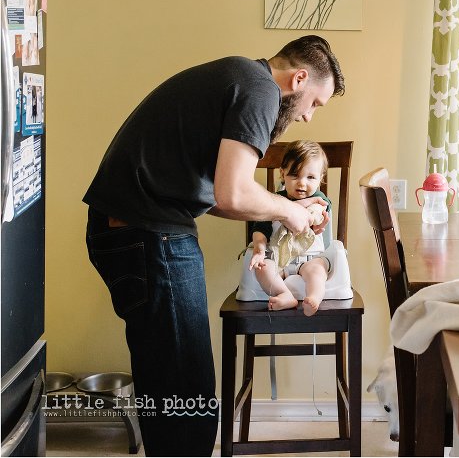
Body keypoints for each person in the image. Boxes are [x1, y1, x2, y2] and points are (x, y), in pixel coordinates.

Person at [82, 35, 344, 457]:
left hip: (134, 228)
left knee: (169, 380)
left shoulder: (240, 76)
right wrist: (288, 212)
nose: (310, 118)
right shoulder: (260, 90)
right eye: (315, 103)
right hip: (149, 234)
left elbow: (218, 195)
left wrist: (279, 208)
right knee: (187, 388)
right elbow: (233, 194)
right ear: (298, 79)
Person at [247, 140, 333, 316]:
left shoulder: (320, 200)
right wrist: (259, 250)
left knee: (318, 270)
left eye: (310, 177)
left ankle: (314, 297)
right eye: (294, 175)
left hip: (309, 259)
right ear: (282, 173)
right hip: (278, 260)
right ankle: (284, 294)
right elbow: (260, 229)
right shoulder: (272, 202)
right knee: (263, 267)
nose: (301, 183)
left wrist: (308, 203)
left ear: (320, 178)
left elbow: (316, 213)